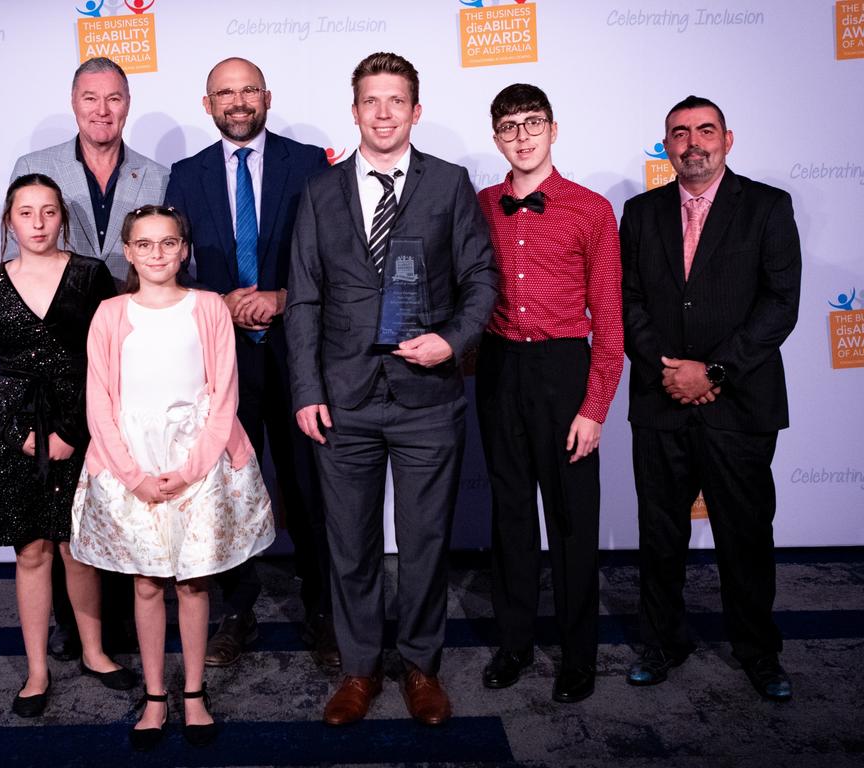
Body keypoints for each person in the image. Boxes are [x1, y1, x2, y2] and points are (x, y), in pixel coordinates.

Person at [286, 52, 497, 726]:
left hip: (426, 396)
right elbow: (304, 300)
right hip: (344, 398)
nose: (383, 113)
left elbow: (482, 282)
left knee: (425, 541)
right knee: (349, 544)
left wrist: (452, 341)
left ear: (416, 109)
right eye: (371, 102)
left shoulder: (449, 184)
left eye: (396, 101)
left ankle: (421, 666)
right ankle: (358, 669)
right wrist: (306, 389)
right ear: (354, 112)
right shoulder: (319, 193)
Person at [71, 205, 275, 751]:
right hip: (131, 464)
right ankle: (156, 696)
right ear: (129, 252)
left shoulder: (208, 307)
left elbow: (224, 395)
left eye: (168, 243)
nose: (157, 254)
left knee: (193, 581)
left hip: (198, 465)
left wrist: (191, 469)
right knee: (145, 582)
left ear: (184, 249)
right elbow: (100, 403)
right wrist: (133, 475)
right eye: (145, 244)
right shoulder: (111, 313)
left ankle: (194, 694)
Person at [620, 95, 801, 701]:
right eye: (679, 133)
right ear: (665, 144)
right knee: (660, 533)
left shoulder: (768, 207)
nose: (692, 142)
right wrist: (671, 372)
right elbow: (631, 302)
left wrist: (713, 371)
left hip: (739, 402)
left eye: (704, 130)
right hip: (661, 398)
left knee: (745, 535)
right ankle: (662, 641)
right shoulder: (640, 212)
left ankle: (758, 652)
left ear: (728, 137)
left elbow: (780, 306)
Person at [163, 58, 335, 668]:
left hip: (300, 357)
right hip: (218, 362)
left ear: (267, 97)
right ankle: (236, 612)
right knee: (228, 491)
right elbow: (170, 267)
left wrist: (284, 296)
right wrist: (220, 301)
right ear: (207, 103)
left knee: (310, 489)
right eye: (224, 93)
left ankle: (324, 612)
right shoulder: (185, 176)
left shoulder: (311, 163)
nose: (238, 102)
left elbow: (334, 255)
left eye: (248, 91)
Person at [10, 56, 170, 660]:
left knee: (120, 483)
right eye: (90, 98)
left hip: (133, 352)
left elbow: (165, 258)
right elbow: (19, 267)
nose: (102, 111)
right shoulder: (36, 169)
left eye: (113, 99)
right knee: (63, 494)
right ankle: (71, 627)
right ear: (73, 102)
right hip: (57, 362)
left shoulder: (156, 173)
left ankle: (123, 621)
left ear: (126, 104)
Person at [0, 174, 135, 718]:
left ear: (63, 217)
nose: (37, 223)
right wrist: (20, 435)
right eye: (25, 213)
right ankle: (37, 669)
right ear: (8, 221)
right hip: (13, 436)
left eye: (49, 212)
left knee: (77, 548)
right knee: (31, 551)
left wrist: (71, 432)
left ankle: (94, 651)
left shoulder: (91, 274)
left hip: (82, 425)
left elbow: (113, 359)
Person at [475, 84, 624, 703]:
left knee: (570, 520)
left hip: (566, 368)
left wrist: (593, 410)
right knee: (510, 516)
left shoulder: (591, 209)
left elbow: (611, 326)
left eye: (532, 123)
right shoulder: (478, 205)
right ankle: (514, 643)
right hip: (498, 368)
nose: (522, 136)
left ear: (554, 129)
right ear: (496, 138)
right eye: (509, 127)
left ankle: (578, 654)